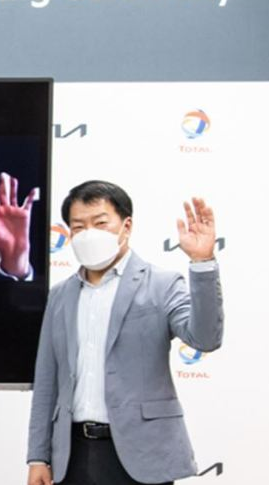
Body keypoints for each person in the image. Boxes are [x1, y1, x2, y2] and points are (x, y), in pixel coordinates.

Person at [26, 180, 223, 485]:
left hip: (143, 454)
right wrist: (38, 456)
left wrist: (202, 262)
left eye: (100, 223)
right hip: (72, 455)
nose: (89, 233)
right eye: (78, 227)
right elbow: (46, 380)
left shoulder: (162, 284)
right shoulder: (60, 295)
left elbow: (205, 338)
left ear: (126, 226)